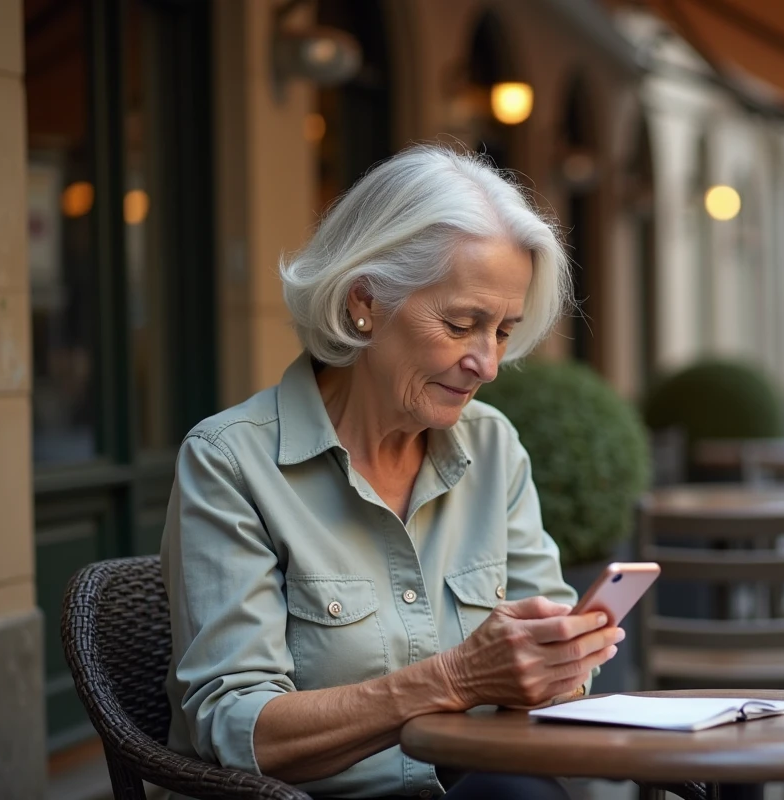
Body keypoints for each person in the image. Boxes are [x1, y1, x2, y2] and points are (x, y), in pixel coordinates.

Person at [158, 146, 623, 800]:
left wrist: (562, 659)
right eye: (462, 325)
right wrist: (456, 678)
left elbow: (556, 681)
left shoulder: (493, 448)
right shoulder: (231, 461)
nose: (487, 364)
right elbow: (237, 729)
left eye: (504, 332)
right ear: (363, 303)